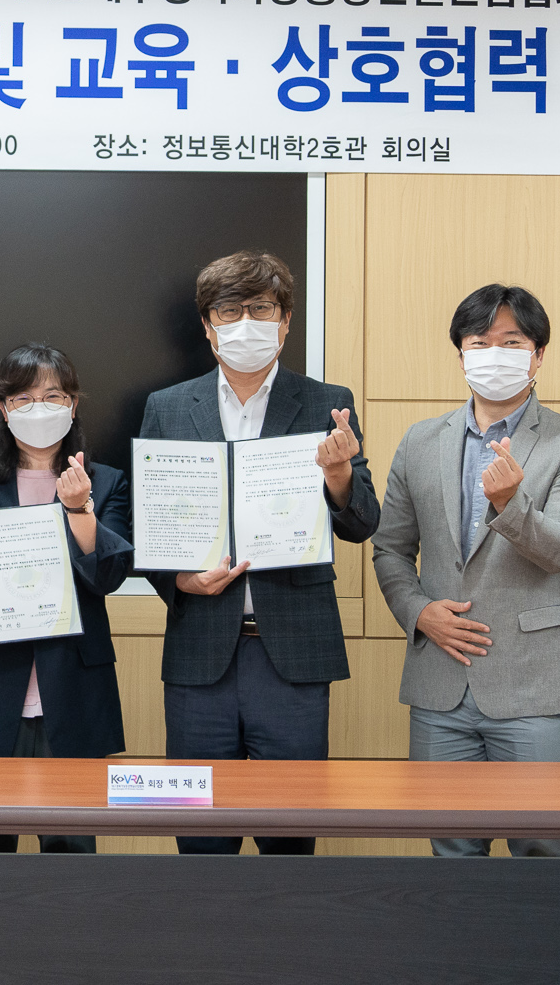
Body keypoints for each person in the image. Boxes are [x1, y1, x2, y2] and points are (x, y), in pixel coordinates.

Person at [140, 250, 378, 857]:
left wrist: (339, 477)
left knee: (290, 837)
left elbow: (363, 523)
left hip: (293, 654)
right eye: (229, 310)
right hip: (200, 654)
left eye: (262, 309)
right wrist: (180, 581)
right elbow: (148, 523)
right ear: (207, 324)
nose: (246, 323)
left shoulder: (327, 401)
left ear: (286, 321)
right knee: (199, 838)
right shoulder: (169, 406)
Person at [372, 284, 560, 858]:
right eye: (480, 342)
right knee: (450, 853)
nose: (494, 354)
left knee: (540, 853)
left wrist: (510, 506)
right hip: (440, 684)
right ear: (461, 355)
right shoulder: (420, 441)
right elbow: (390, 549)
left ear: (538, 355)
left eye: (512, 342)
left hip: (534, 685)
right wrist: (419, 612)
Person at [0, 343, 135, 854]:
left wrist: (79, 510)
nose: (38, 408)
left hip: (73, 691)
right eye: (23, 398)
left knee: (70, 852)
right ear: (3, 409)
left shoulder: (106, 483)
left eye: (52, 396)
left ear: (73, 405)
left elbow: (109, 576)